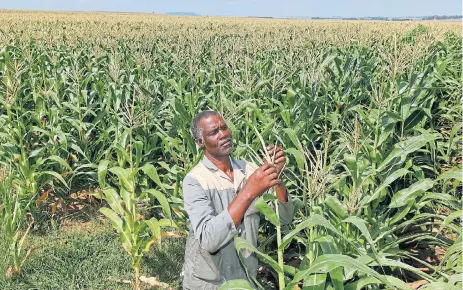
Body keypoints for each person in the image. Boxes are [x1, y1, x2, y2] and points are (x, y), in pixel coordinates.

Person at [182, 110, 294, 289]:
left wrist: (276, 178)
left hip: (246, 279)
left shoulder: (249, 170)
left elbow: (284, 219)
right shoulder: (195, 180)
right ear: (200, 142)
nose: (223, 134)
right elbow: (209, 239)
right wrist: (249, 190)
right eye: (214, 132)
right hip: (210, 283)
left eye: (224, 128)